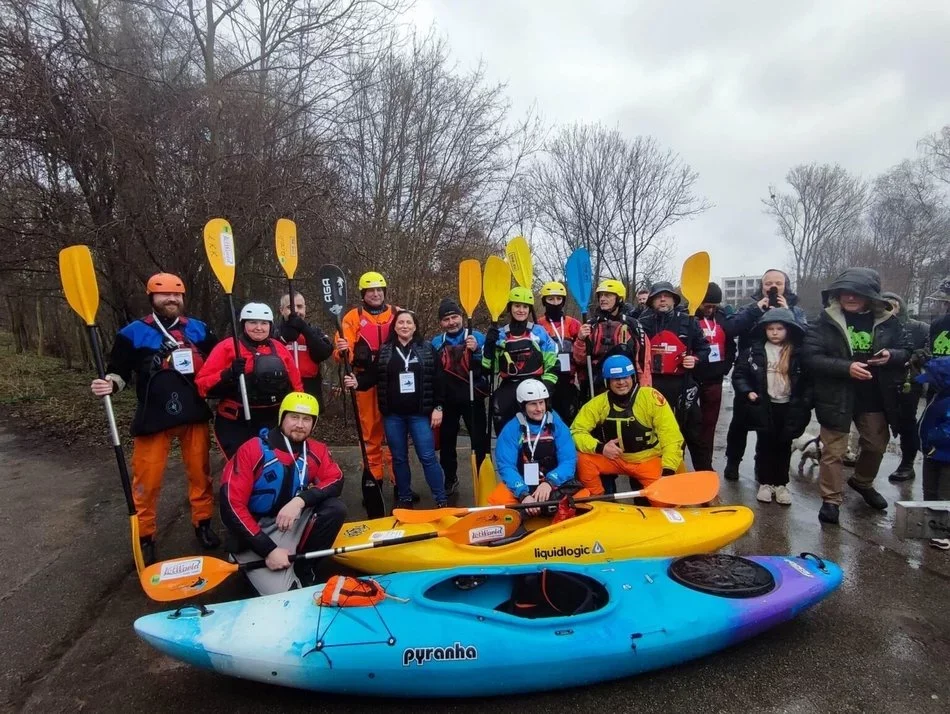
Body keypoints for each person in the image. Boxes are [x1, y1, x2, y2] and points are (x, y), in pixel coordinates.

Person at [90, 273, 219, 565]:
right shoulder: (132, 333)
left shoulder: (199, 330)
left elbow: (217, 362)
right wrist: (109, 384)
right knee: (146, 481)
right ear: (151, 298)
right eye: (165, 295)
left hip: (193, 411)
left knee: (200, 474)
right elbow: (118, 372)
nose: (172, 299)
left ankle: (203, 523)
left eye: (177, 295)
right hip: (153, 414)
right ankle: (145, 535)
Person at [802, 268, 910, 525]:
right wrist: (845, 367)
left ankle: (862, 481)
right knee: (834, 452)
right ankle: (831, 500)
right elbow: (810, 357)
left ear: (870, 296)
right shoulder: (823, 321)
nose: (850, 297)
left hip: (874, 394)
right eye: (845, 292)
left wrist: (891, 355)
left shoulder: (889, 321)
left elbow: (907, 349)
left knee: (874, 445)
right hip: (836, 394)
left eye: (857, 292)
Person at [219, 392, 346, 595]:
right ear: (282, 418)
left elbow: (336, 479)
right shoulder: (252, 450)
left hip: (288, 522)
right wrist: (268, 550)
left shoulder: (316, 450)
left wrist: (300, 501)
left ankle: (305, 568)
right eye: (294, 417)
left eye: (307, 419)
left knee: (334, 509)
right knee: (288, 594)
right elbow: (230, 506)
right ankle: (245, 559)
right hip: (254, 532)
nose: (300, 424)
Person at [345, 310, 447, 509]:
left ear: (415, 326)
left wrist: (438, 407)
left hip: (419, 415)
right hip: (394, 416)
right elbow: (372, 376)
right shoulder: (385, 351)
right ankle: (405, 496)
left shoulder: (426, 349)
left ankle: (441, 498)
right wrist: (357, 381)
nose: (405, 326)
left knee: (427, 457)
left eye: (409, 322)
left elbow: (439, 380)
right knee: (399, 458)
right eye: (401, 322)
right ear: (395, 327)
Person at [723, 269, 808, 481]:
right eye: (768, 282)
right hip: (751, 372)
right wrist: (755, 309)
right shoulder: (750, 307)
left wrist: (789, 313)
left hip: (779, 376)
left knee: (769, 428)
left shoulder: (796, 309)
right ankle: (733, 461)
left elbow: (806, 336)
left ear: (785, 285)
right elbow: (731, 329)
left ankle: (764, 469)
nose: (773, 286)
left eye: (778, 282)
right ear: (761, 286)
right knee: (739, 424)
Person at [196, 302, 303, 459]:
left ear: (270, 325)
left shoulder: (279, 348)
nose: (259, 328)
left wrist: (299, 409)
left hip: (273, 417)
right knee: (243, 464)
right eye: (253, 322)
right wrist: (228, 373)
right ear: (243, 324)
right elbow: (202, 384)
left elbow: (296, 383)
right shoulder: (228, 347)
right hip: (238, 420)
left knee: (275, 463)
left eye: (264, 323)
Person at [571, 355, 683, 497]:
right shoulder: (598, 403)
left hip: (647, 460)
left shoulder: (651, 398)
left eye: (626, 377)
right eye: (616, 379)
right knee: (583, 458)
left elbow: (671, 437)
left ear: (633, 378)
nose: (622, 382)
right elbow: (575, 432)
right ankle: (599, 498)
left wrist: (668, 470)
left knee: (666, 501)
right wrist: (601, 447)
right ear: (607, 382)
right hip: (616, 460)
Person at [731, 309, 812, 504]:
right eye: (770, 329)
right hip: (764, 404)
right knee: (765, 444)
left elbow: (808, 381)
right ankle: (765, 483)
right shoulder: (754, 351)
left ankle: (781, 484)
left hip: (788, 405)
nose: (775, 332)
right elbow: (739, 374)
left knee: (784, 445)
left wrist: (805, 401)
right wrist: (747, 391)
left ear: (788, 330)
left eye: (779, 328)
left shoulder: (798, 353)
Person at [333, 271, 398, 505]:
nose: (376, 294)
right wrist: (343, 350)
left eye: (379, 289)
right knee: (371, 435)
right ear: (363, 294)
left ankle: (400, 484)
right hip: (365, 382)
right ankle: (374, 482)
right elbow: (342, 352)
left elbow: (411, 338)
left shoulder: (398, 314)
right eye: (371, 290)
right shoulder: (352, 317)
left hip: (393, 381)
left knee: (395, 435)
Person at [637, 281, 711, 471]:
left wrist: (694, 359)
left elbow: (704, 349)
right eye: (658, 297)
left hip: (683, 384)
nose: (662, 300)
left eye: (666, 296)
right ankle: (669, 473)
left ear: (673, 300)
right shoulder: (642, 324)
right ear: (651, 301)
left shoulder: (689, 321)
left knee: (693, 432)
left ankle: (705, 475)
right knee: (659, 433)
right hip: (654, 385)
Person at [487, 379, 580, 515]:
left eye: (541, 403)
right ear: (523, 406)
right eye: (533, 404)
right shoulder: (512, 429)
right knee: (495, 502)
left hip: (553, 484)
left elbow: (569, 460)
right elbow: (506, 466)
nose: (539, 409)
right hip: (523, 485)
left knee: (584, 497)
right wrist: (523, 494)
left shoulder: (557, 425)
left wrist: (549, 482)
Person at [431, 298, 489, 497]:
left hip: (473, 399)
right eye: (446, 319)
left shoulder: (477, 337)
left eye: (454, 317)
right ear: (441, 323)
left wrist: (478, 351)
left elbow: (491, 366)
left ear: (462, 317)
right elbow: (433, 373)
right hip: (448, 401)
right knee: (447, 443)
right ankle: (450, 478)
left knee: (479, 441)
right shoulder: (436, 343)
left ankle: (482, 476)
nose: (451, 322)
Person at [482, 287, 558, 435]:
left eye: (525, 307)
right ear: (510, 308)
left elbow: (552, 362)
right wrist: (489, 348)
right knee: (500, 413)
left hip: (535, 384)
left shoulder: (538, 332)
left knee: (537, 427)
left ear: (529, 309)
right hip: (509, 385)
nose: (521, 310)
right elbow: (491, 368)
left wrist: (547, 385)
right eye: (517, 306)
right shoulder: (501, 334)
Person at [573, 278, 652, 400]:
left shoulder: (633, 325)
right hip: (597, 387)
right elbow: (580, 360)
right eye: (601, 295)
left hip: (626, 385)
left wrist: (645, 390)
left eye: (608, 295)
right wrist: (581, 339)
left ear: (619, 299)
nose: (603, 299)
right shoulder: (591, 325)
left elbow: (643, 362)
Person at [879, 291, 929, 483]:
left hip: (908, 381)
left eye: (892, 305)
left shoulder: (919, 327)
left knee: (907, 422)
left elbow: (929, 348)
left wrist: (916, 356)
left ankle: (907, 464)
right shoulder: (878, 326)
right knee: (873, 420)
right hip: (880, 380)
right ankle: (865, 458)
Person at [692, 282, 741, 470]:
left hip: (714, 380)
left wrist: (725, 368)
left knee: (708, 426)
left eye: (714, 306)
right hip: (692, 378)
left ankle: (706, 466)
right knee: (687, 424)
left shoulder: (722, 319)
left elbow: (731, 345)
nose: (710, 309)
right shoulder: (689, 317)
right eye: (707, 305)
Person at [536, 281, 583, 425]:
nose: (555, 303)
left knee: (568, 419)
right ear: (544, 301)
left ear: (563, 301)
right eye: (550, 299)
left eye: (558, 299)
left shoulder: (573, 323)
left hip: (567, 380)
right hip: (545, 380)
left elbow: (581, 351)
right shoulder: (538, 325)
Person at [277, 292, 333, 409]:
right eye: (290, 307)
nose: (296, 311)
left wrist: (305, 330)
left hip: (310, 390)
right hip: (281, 388)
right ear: (281, 310)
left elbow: (324, 353)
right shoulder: (273, 332)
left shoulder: (315, 331)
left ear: (305, 309)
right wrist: (283, 339)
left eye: (300, 307)